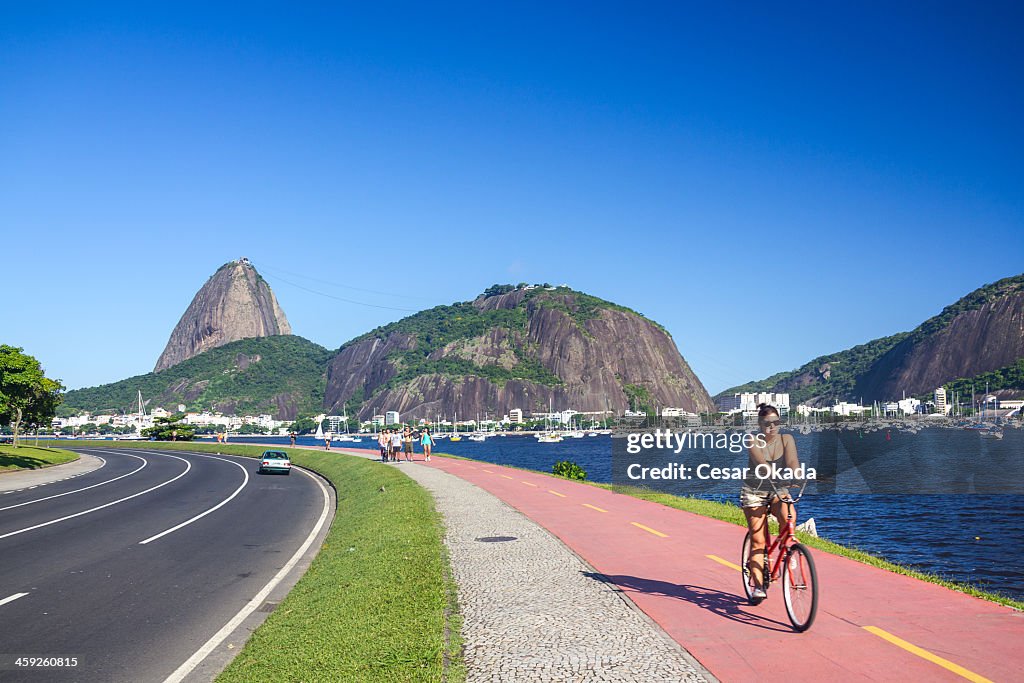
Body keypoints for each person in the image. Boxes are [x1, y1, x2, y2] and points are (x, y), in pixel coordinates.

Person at [741, 403, 800, 602]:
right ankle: (758, 586)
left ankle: (788, 549)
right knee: (758, 541)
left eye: (776, 423)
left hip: (777, 488)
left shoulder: (787, 439)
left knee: (788, 514)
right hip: (754, 492)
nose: (772, 427)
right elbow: (762, 465)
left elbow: (792, 462)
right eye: (767, 424)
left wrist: (796, 474)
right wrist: (774, 473)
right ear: (760, 424)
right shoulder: (752, 440)